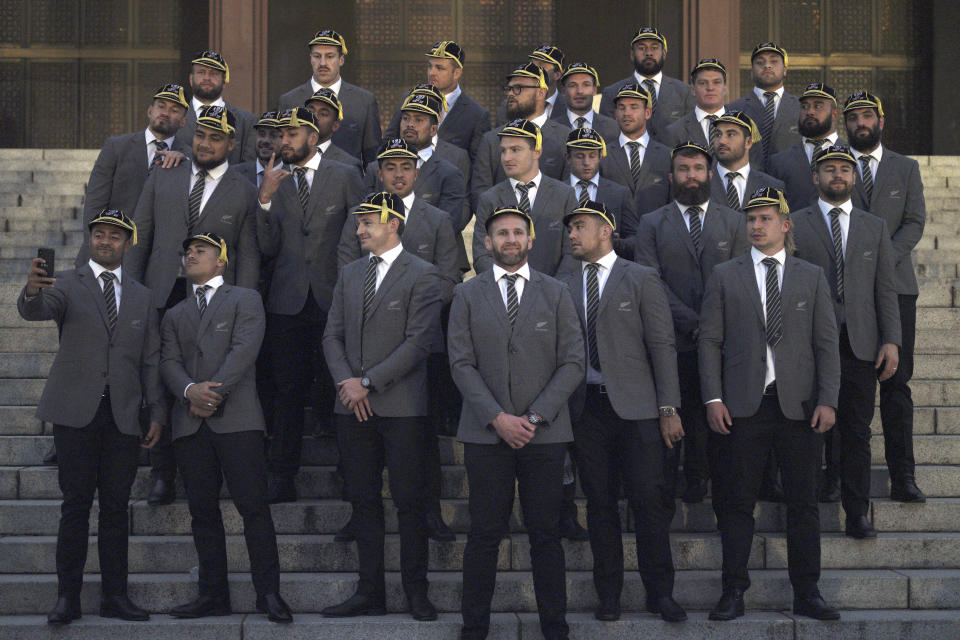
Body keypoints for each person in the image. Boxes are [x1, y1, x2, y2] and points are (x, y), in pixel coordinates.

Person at [699, 186, 841, 622]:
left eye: (765, 218)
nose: (756, 226)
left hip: (798, 406)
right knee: (738, 502)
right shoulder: (726, 275)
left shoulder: (811, 275)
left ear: (785, 224)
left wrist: (828, 399)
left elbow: (826, 345)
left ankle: (807, 592)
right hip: (744, 405)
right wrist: (713, 397)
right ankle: (733, 591)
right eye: (751, 219)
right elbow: (710, 340)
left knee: (802, 503)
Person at [19, 210, 164, 625]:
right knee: (76, 505)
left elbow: (150, 359)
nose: (105, 241)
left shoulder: (141, 295)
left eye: (114, 236)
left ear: (128, 243)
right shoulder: (65, 283)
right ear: (90, 240)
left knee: (116, 508)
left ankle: (115, 597)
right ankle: (68, 597)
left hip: (122, 415)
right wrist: (31, 291)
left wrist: (156, 411)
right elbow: (36, 309)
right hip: (75, 412)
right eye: (98, 235)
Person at [448, 206, 584, 640]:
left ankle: (554, 626)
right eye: (501, 233)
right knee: (485, 533)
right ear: (486, 244)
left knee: (546, 534)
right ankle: (475, 626)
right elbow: (461, 363)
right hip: (486, 434)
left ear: (531, 241)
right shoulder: (466, 295)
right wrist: (498, 418)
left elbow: (573, 362)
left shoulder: (557, 292)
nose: (509, 239)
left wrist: (533, 416)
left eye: (517, 233)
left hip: (544, 434)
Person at [559, 201, 686, 623]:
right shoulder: (562, 281)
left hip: (640, 411)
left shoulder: (642, 278)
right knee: (599, 503)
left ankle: (660, 593)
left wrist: (669, 408)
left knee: (649, 501)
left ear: (606, 231)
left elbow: (662, 347)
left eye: (580, 226)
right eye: (570, 228)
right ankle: (608, 594)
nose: (572, 234)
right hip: (586, 409)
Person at [128, 104, 260, 506]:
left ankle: (207, 468)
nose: (205, 143)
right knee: (158, 383)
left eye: (215, 138)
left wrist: (241, 301)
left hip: (212, 301)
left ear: (232, 145)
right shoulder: (165, 171)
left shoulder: (243, 189)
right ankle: (162, 473)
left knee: (202, 374)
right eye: (201, 136)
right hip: (159, 292)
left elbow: (249, 253)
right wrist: (130, 291)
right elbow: (141, 233)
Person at [321, 192, 442, 621]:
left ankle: (416, 591)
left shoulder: (424, 275)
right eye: (359, 223)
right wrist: (347, 385)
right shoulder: (350, 274)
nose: (358, 231)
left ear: (393, 223)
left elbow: (420, 342)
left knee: (409, 503)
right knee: (363, 501)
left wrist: (367, 383)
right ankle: (369, 591)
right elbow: (331, 335)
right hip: (352, 408)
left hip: (402, 409)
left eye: (367, 223)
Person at [161, 233, 291, 623]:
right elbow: (168, 361)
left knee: (253, 508)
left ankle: (268, 593)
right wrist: (189, 391)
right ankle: (212, 594)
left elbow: (244, 350)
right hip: (190, 423)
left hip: (237, 419)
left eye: (202, 250)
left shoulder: (245, 298)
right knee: (202, 512)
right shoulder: (174, 313)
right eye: (188, 250)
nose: (192, 255)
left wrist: (210, 394)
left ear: (222, 262)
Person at [339, 140, 461, 542]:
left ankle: (430, 513)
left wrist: (410, 303)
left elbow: (449, 277)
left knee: (421, 438)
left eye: (405, 166)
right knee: (361, 449)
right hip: (364, 347)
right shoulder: (361, 219)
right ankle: (360, 516)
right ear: (379, 172)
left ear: (417, 171)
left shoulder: (437, 218)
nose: (398, 174)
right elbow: (346, 267)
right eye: (389, 166)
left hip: (423, 342)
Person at [790, 144, 901, 538]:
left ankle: (856, 512)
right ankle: (804, 507)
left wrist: (891, 340)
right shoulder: (795, 223)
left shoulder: (874, 227)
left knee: (856, 430)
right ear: (815, 177)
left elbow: (885, 290)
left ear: (854, 177)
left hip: (859, 343)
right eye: (829, 169)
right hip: (807, 342)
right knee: (808, 427)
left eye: (844, 169)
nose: (837, 174)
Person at [255, 107, 364, 502]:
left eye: (292, 134)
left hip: (332, 298)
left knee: (340, 389)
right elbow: (266, 246)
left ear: (313, 138)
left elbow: (359, 236)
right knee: (286, 392)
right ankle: (282, 475)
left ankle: (349, 474)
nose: (284, 140)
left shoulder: (347, 175)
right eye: (281, 133)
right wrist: (264, 200)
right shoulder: (272, 179)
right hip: (285, 303)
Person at [634, 141, 749, 508]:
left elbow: (740, 278)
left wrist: (711, 327)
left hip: (722, 343)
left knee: (716, 419)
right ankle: (671, 490)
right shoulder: (652, 223)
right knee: (674, 417)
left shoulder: (734, 222)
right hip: (672, 339)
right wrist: (693, 322)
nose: (691, 176)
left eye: (698, 169)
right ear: (671, 176)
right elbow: (650, 282)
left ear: (710, 175)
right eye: (683, 170)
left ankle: (708, 483)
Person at [843, 90, 927, 503]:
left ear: (881, 120)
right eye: (854, 116)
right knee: (846, 387)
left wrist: (881, 261)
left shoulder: (906, 168)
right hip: (849, 294)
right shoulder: (836, 167)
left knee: (897, 387)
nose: (861, 122)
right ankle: (836, 476)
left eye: (867, 116)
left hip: (896, 288)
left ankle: (903, 475)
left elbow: (914, 222)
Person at [76, 84, 190, 266]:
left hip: (157, 261)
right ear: (150, 111)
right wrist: (96, 247)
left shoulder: (188, 158)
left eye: (174, 110)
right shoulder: (116, 147)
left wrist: (186, 162)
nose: (166, 113)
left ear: (183, 122)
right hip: (112, 251)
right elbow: (94, 203)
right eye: (161, 106)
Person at [471, 119, 578, 276]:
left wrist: (553, 291)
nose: (506, 158)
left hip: (554, 295)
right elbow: (482, 255)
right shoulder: (489, 199)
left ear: (537, 151)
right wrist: (510, 285)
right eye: (503, 151)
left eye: (515, 150)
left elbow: (573, 251)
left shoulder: (564, 195)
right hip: (505, 295)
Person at [472, 63, 570, 208]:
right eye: (510, 88)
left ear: (541, 93)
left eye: (519, 88)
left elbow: (570, 192)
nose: (511, 93)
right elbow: (480, 193)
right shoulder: (491, 140)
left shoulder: (565, 138)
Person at [277, 29, 381, 166]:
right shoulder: (290, 100)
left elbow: (372, 157)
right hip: (300, 183)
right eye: (317, 56)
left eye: (330, 56)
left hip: (348, 184)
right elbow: (280, 153)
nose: (323, 63)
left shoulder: (364, 101)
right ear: (310, 59)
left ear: (341, 60)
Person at [383, 40, 491, 162]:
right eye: (430, 66)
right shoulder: (409, 98)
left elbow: (478, 165)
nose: (432, 73)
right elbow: (388, 142)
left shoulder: (476, 115)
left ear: (457, 73)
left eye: (439, 68)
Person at [598, 27, 694, 141]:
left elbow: (690, 134)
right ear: (632, 55)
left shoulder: (684, 92)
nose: (648, 53)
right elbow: (608, 138)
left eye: (654, 48)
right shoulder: (612, 92)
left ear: (664, 54)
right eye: (641, 48)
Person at [599, 84, 671, 232]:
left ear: (648, 113)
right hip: (614, 240)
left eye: (634, 107)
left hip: (657, 239)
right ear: (615, 113)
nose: (627, 113)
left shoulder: (667, 156)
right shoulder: (602, 155)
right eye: (622, 107)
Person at [174, 51, 257, 165]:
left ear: (224, 82)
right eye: (201, 72)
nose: (207, 78)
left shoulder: (247, 122)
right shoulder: (174, 117)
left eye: (214, 73)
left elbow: (248, 170)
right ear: (191, 79)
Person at [728, 42, 801, 170]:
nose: (767, 65)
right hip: (749, 185)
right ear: (751, 71)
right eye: (760, 62)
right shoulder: (733, 110)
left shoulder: (801, 108)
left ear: (785, 70)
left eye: (774, 61)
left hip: (792, 185)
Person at [769, 83, 840, 211]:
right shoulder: (779, 162)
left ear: (834, 114)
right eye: (804, 107)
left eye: (817, 106)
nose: (810, 112)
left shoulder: (854, 156)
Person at [566, 128, 636, 256]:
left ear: (600, 157)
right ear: (568, 158)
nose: (586, 162)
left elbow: (635, 240)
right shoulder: (555, 192)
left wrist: (616, 242)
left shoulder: (619, 194)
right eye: (580, 156)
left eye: (592, 156)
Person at [710, 110, 785, 210]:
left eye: (731, 134)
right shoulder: (700, 184)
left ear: (748, 142)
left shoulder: (773, 187)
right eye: (718, 134)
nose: (722, 141)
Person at [662, 58, 729, 149]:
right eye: (703, 83)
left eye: (716, 82)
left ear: (725, 88)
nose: (710, 88)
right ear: (693, 89)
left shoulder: (742, 126)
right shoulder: (675, 131)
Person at [496, 45, 567, 124]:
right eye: (532, 66)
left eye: (541, 67)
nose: (534, 71)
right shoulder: (509, 105)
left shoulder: (570, 107)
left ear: (557, 75)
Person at [551, 62, 619, 143]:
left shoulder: (614, 129)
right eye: (572, 85)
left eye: (586, 85)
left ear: (594, 90)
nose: (580, 91)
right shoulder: (550, 130)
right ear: (564, 91)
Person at [303, 88, 364, 171]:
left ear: (335, 126)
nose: (314, 117)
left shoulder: (349, 165)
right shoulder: (287, 156)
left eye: (323, 114)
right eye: (310, 111)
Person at [234, 111, 281, 189]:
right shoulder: (234, 174)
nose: (265, 140)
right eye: (261, 134)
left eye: (273, 135)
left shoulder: (294, 176)